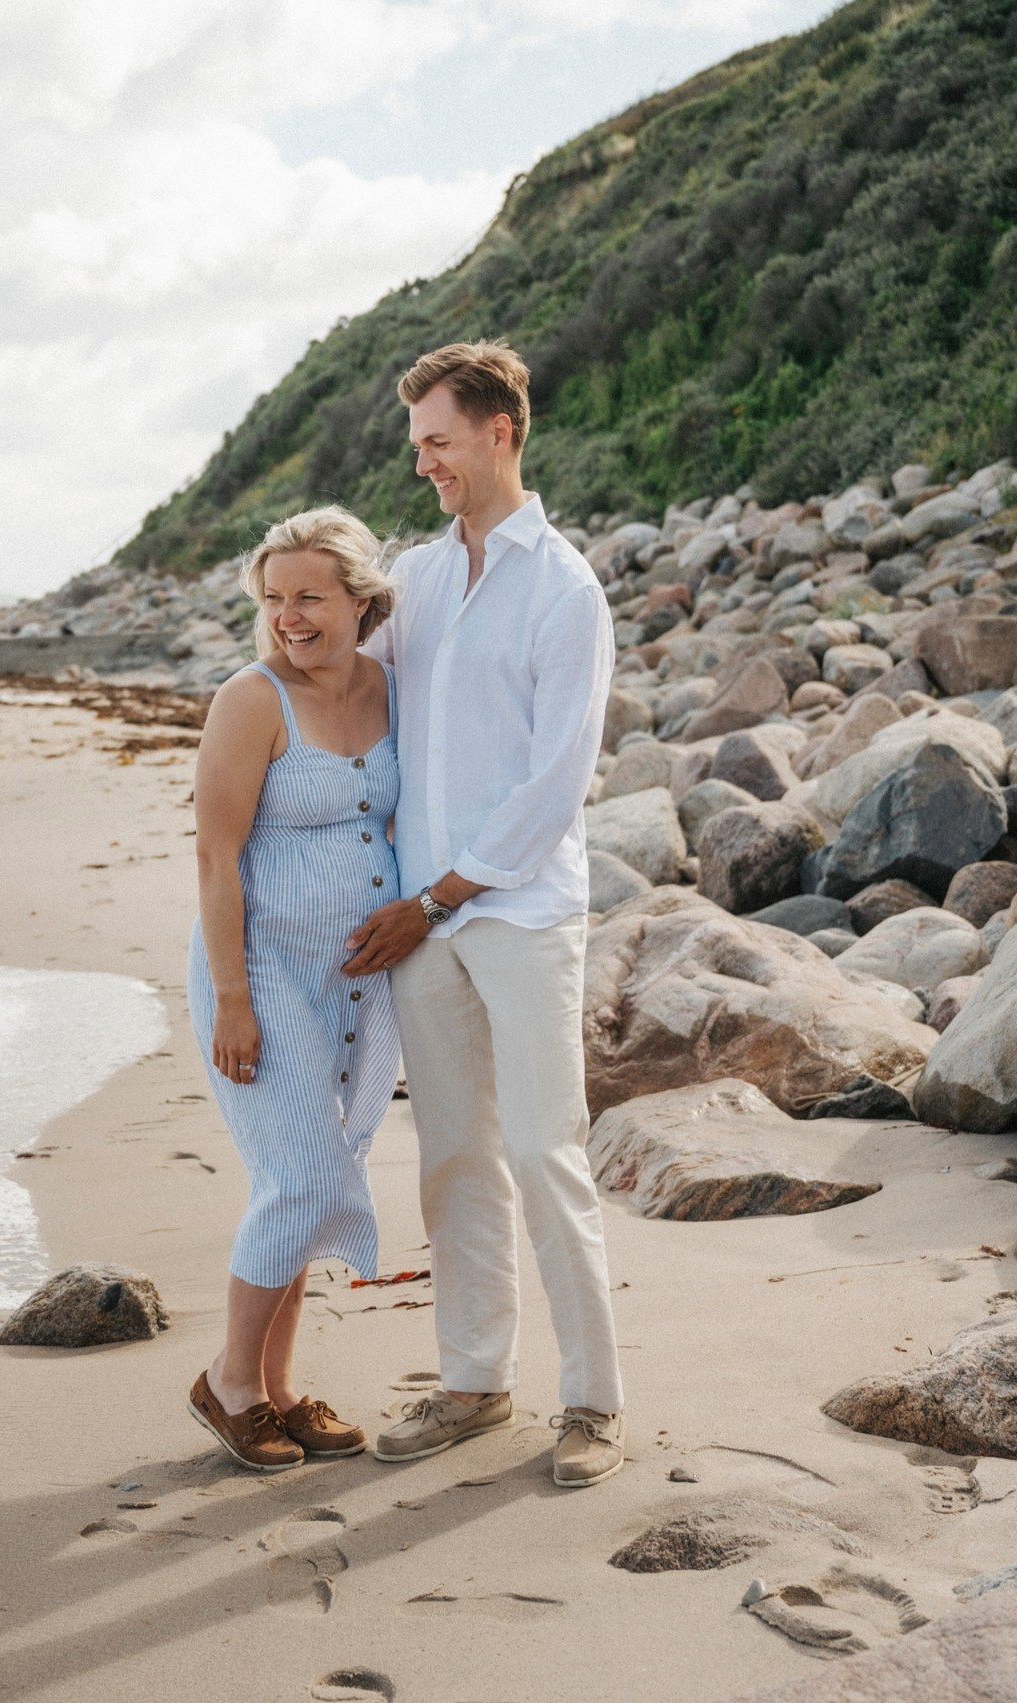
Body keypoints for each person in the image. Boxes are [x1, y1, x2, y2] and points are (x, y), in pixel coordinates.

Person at [342, 340, 627, 1489]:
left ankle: (594, 1401)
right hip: (422, 918)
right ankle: (472, 1382)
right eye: (417, 447)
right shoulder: (408, 579)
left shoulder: (565, 588)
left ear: (500, 432)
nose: (425, 466)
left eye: (439, 443)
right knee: (454, 1158)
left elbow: (555, 785)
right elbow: (332, 678)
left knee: (542, 1147)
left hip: (513, 912)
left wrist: (437, 894)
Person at [185, 507, 402, 1473]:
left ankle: (276, 1392)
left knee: (316, 1181)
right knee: (304, 1174)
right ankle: (230, 1383)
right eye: (274, 599)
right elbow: (216, 857)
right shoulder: (252, 697)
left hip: (354, 984)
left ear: (361, 599)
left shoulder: (391, 687)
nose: (290, 617)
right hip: (260, 971)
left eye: (309, 596)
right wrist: (233, 993)